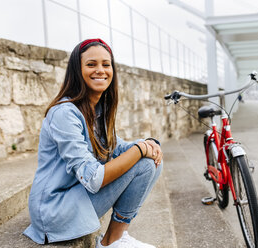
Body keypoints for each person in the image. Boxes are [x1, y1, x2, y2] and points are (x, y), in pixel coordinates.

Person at [23, 38, 163, 248]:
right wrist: (140, 149)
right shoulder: (64, 114)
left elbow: (116, 146)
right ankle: (110, 242)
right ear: (77, 71)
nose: (100, 70)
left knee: (152, 160)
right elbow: (93, 179)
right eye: (91, 64)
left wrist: (148, 143)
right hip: (54, 209)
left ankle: (116, 238)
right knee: (143, 163)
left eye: (106, 65)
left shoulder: (97, 109)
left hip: (75, 196)